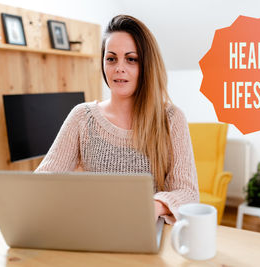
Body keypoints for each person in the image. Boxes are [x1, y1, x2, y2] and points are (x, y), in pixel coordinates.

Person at [35, 15, 199, 224]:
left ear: (146, 65)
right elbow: (43, 180)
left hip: (145, 230)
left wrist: (154, 206)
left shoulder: (171, 119)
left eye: (131, 59)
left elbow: (188, 194)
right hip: (94, 227)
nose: (119, 68)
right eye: (111, 58)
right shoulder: (82, 116)